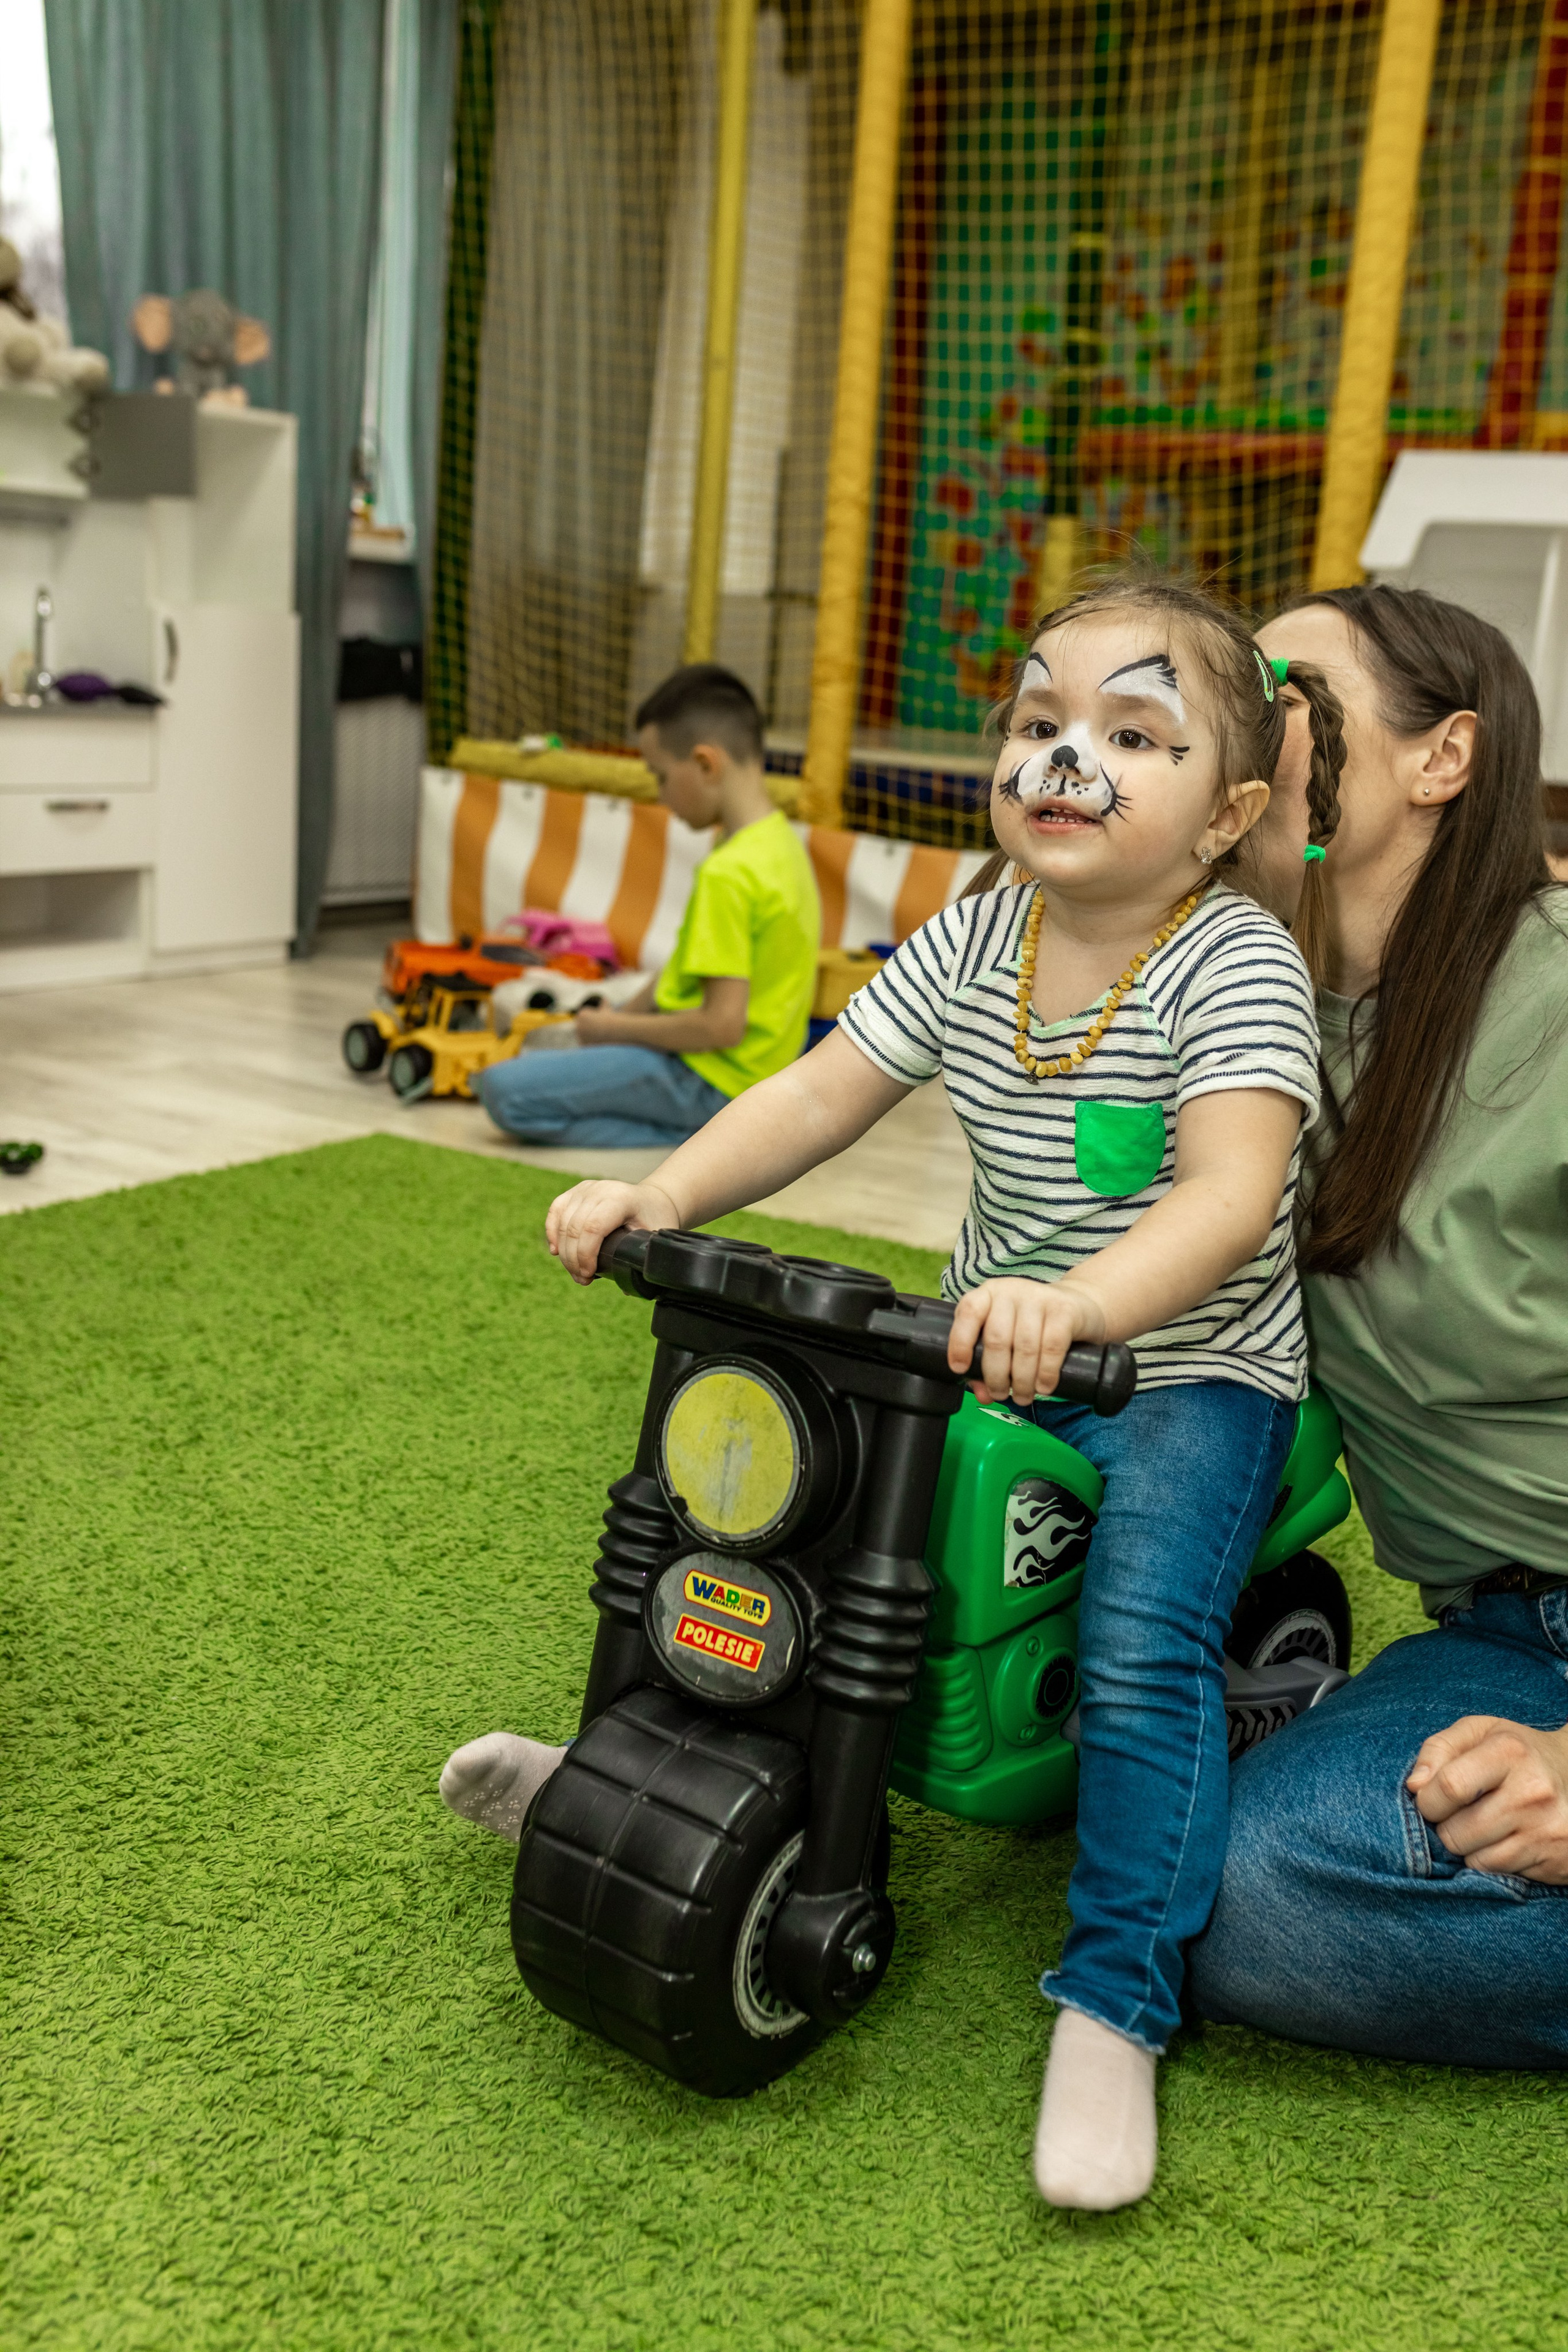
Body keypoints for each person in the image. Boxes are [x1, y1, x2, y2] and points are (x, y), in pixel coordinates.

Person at [442, 575, 1347, 2211]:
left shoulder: (1238, 966)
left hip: (1189, 1370)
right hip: (986, 1342)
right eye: (1041, 720)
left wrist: (1076, 1304)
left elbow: (1225, 1201)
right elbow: (822, 1085)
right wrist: (669, 1194)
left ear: (1231, 813)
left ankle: (1116, 2001)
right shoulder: (984, 931)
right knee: (774, 1526)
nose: (1068, 759)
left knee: (1141, 1648)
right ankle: (619, 1786)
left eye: (1133, 735)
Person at [1189, 584, 1568, 2065]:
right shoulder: (1241, 1004)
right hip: (1492, 1633)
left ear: (1439, 756)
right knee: (1237, 1893)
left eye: (1272, 679)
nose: (1228, 701)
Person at [471, 665, 820, 1151]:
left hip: (711, 1081)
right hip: (756, 1076)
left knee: (501, 1091)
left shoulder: (730, 872)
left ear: (705, 765)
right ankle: (717, 1133)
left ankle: (705, 1139)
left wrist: (618, 1028)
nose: (660, 797)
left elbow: (722, 1025)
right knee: (557, 1052)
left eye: (661, 777)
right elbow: (688, 966)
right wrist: (622, 1019)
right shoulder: (779, 844)